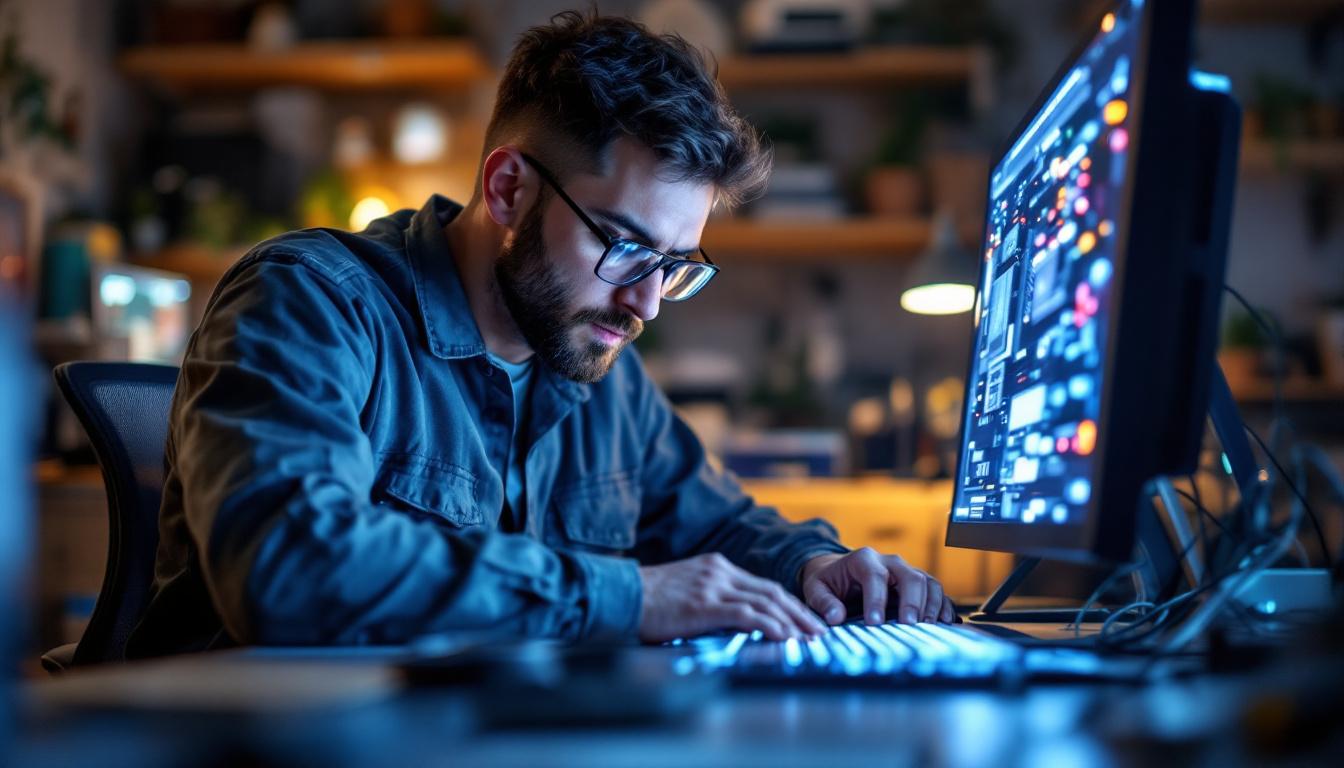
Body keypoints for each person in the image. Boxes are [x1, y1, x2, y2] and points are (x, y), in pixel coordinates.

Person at [127, 11, 955, 658]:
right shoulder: (311, 301)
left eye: (673, 263)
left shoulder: (596, 362)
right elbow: (287, 565)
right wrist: (629, 598)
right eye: (626, 247)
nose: (648, 303)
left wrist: (809, 565)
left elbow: (711, 525)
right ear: (510, 188)